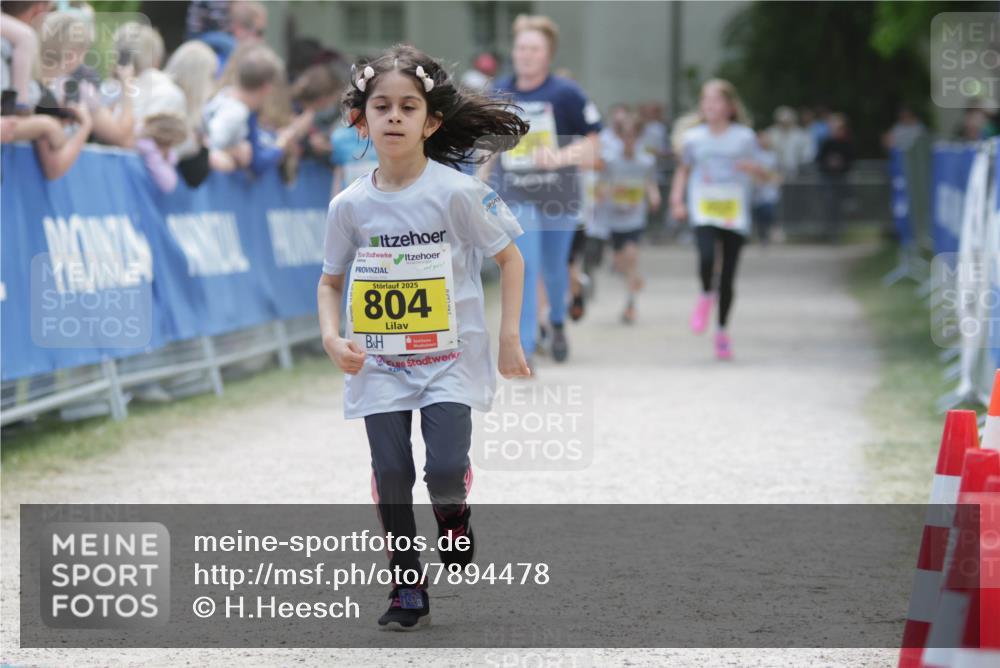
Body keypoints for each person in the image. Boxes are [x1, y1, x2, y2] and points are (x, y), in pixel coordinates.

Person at [317, 44, 531, 631]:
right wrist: (333, 338)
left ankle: (453, 515)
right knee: (392, 474)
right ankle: (406, 584)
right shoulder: (348, 206)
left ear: (431, 122)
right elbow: (330, 282)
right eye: (381, 106)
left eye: (407, 107)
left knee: (442, 471)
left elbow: (510, 259)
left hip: (449, 359)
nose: (394, 116)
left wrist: (509, 337)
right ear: (360, 119)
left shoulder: (457, 193)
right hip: (379, 362)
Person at [481, 14, 602, 367]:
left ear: (548, 54)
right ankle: (526, 347)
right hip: (515, 192)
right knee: (525, 265)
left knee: (554, 268)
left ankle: (558, 321)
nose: (526, 55)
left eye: (534, 49)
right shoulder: (498, 92)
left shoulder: (566, 93)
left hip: (558, 194)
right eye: (521, 48)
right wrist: (479, 180)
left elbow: (594, 144)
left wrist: (559, 157)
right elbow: (488, 143)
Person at [670, 79, 769, 360]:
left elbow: (764, 173)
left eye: (716, 100)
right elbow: (683, 170)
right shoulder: (693, 138)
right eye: (706, 100)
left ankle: (722, 331)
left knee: (728, 275)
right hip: (704, 207)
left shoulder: (744, 137)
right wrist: (676, 200)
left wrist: (753, 169)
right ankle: (705, 293)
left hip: (734, 211)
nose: (710, 105)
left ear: (730, 106)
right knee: (705, 257)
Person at [596, 112, 660, 323]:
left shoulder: (646, 161)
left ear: (639, 136)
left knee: (631, 256)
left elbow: (649, 182)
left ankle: (630, 305)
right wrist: (608, 191)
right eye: (625, 135)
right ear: (620, 136)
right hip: (614, 217)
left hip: (635, 217)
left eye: (633, 135)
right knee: (620, 264)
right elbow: (601, 186)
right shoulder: (611, 160)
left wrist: (654, 195)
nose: (629, 139)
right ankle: (634, 280)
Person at [816, 113, 854, 241]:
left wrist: (841, 164)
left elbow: (851, 160)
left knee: (842, 204)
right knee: (829, 203)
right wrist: (829, 164)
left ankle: (841, 229)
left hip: (842, 178)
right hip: (828, 178)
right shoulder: (827, 143)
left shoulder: (847, 143)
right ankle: (830, 230)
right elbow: (819, 160)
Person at [751, 129, 781, 246]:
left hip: (768, 189)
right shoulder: (753, 154)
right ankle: (762, 237)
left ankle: (772, 231)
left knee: (768, 211)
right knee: (759, 215)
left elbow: (775, 172)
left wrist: (769, 177)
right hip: (756, 189)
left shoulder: (772, 155)